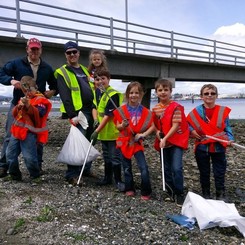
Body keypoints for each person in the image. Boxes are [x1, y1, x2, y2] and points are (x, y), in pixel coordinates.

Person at [0, 37, 57, 178]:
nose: (34, 51)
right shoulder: (16, 63)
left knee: (38, 136)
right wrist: (11, 80)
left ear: (41, 50)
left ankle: (37, 166)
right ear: (27, 49)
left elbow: (55, 85)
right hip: (18, 105)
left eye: (37, 49)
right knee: (9, 135)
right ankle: (3, 166)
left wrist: (52, 92)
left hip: (37, 106)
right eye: (32, 49)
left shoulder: (47, 68)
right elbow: (1, 74)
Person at [55, 41, 97, 185]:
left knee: (91, 139)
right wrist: (72, 114)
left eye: (74, 52)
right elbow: (65, 95)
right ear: (65, 55)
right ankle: (72, 174)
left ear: (79, 53)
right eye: (69, 52)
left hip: (92, 109)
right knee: (77, 142)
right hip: (78, 112)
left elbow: (93, 88)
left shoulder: (86, 70)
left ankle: (86, 169)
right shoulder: (62, 72)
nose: (72, 55)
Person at [187, 84, 234, 201]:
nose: (209, 95)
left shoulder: (222, 111)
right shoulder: (195, 112)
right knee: (204, 172)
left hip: (219, 146)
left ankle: (220, 194)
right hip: (202, 146)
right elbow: (186, 124)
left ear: (216, 95)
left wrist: (230, 138)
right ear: (201, 96)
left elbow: (227, 127)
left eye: (212, 93)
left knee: (220, 171)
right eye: (206, 93)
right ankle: (206, 194)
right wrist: (192, 131)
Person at [113, 81, 155, 200]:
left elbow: (152, 126)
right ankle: (129, 188)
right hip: (124, 142)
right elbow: (118, 126)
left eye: (136, 93)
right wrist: (123, 125)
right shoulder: (121, 110)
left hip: (136, 142)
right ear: (127, 94)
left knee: (143, 167)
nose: (133, 95)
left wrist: (143, 134)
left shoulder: (145, 111)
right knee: (126, 167)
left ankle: (146, 190)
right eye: (131, 93)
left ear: (141, 94)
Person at [152, 79, 189, 206]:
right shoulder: (156, 108)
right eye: (160, 90)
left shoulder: (176, 107)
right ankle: (169, 191)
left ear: (170, 91)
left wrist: (165, 138)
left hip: (175, 142)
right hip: (164, 142)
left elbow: (176, 125)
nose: (163, 93)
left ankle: (179, 193)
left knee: (176, 167)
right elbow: (155, 125)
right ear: (156, 92)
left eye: (165, 90)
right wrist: (157, 133)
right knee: (165, 168)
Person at [6, 76, 52, 181]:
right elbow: (15, 114)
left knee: (29, 158)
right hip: (17, 132)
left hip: (29, 133)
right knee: (10, 156)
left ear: (35, 87)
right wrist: (18, 106)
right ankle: (14, 175)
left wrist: (28, 106)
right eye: (25, 90)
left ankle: (35, 175)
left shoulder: (41, 100)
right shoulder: (23, 99)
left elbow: (39, 115)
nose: (27, 92)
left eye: (29, 89)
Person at [90, 69, 124, 191]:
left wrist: (96, 131)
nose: (100, 81)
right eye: (97, 79)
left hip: (114, 133)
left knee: (115, 157)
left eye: (103, 78)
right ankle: (107, 178)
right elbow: (94, 107)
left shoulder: (113, 94)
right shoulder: (97, 93)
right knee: (106, 157)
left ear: (108, 79)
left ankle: (118, 181)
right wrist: (95, 119)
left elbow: (108, 116)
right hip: (103, 133)